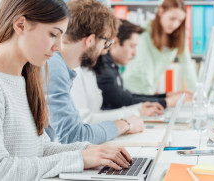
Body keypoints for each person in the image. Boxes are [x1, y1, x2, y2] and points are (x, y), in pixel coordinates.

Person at [0, 0, 133, 180]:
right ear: (20, 25)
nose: (59, 47)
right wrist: (79, 159)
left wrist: (89, 150)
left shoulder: (25, 77)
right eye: (53, 34)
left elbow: (40, 148)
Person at [44, 0, 144, 145]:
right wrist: (125, 124)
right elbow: (73, 137)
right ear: (90, 40)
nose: (105, 50)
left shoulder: (62, 67)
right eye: (106, 43)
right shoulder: (55, 66)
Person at [94, 19, 192, 110]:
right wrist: (167, 102)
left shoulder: (112, 66)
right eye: (132, 46)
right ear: (115, 42)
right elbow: (123, 100)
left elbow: (129, 96)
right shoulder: (103, 67)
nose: (135, 53)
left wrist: (165, 96)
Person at [122, 0, 197, 95]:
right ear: (161, 12)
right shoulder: (144, 30)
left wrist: (196, 93)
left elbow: (186, 64)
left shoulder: (180, 36)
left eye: (180, 21)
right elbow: (146, 66)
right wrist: (151, 98)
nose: (175, 25)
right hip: (131, 87)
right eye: (172, 18)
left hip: (149, 90)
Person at [70, 50, 164, 124]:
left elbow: (98, 113)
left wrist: (138, 108)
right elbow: (86, 120)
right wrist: (134, 114)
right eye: (106, 41)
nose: (106, 49)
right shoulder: (76, 71)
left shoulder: (90, 69)